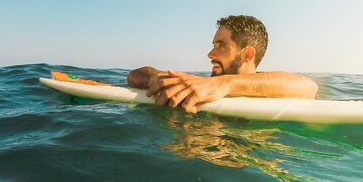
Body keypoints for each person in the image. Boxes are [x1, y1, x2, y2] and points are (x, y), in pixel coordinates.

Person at [127, 15, 318, 113]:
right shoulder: (201, 85)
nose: (210, 54)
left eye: (221, 45)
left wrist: (225, 84)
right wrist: (158, 79)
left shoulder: (274, 87)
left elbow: (309, 88)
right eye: (213, 45)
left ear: (247, 54)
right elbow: (135, 74)